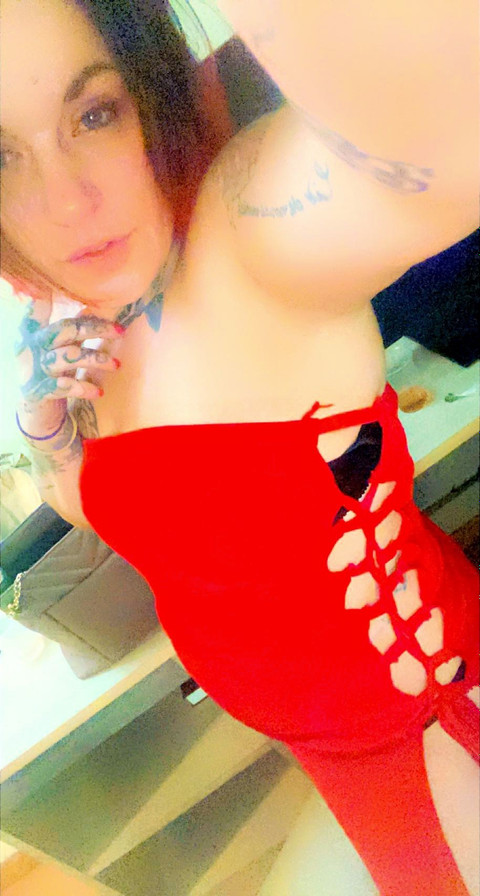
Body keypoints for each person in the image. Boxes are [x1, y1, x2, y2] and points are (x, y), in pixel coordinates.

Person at [1, 0, 478, 893]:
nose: (66, 202)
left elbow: (446, 142)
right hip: (321, 748)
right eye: (1, 155)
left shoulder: (244, 246)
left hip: (430, 728)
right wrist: (44, 421)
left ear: (148, 91)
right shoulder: (80, 317)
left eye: (94, 114)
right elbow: (89, 502)